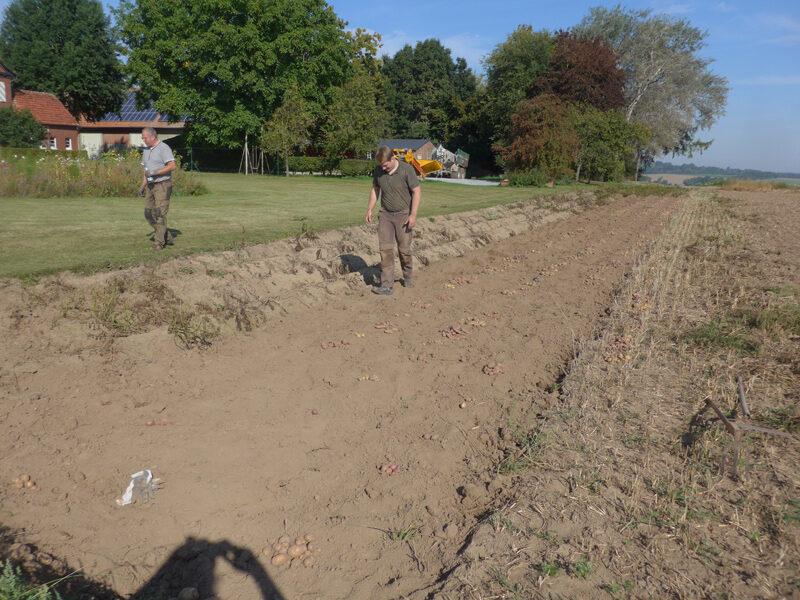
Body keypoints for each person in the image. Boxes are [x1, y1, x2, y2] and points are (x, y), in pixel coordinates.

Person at [365, 146, 421, 295]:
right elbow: (375, 189)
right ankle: (387, 285)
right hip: (385, 215)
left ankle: (408, 276)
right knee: (385, 250)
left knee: (404, 250)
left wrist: (413, 214)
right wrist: (370, 208)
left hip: (403, 215)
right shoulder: (378, 171)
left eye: (385, 165)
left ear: (392, 159)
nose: (383, 168)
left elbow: (416, 192)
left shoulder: (406, 170)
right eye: (381, 165)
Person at [140, 127, 177, 250]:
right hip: (151, 186)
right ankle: (166, 236)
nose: (143, 140)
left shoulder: (164, 148)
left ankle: (158, 243)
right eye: (143, 137)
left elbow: (172, 166)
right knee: (148, 214)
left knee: (160, 214)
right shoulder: (146, 150)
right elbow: (146, 171)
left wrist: (156, 172)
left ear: (153, 137)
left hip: (163, 185)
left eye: (145, 137)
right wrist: (142, 186)